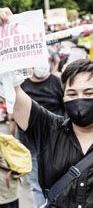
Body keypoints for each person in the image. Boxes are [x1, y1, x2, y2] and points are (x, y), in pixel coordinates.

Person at [0, 44, 93, 207]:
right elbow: (10, 88)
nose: (80, 99)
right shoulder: (49, 130)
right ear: (64, 98)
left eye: (88, 93)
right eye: (72, 94)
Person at [18, 61, 65, 208]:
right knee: (37, 186)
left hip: (55, 142)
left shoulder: (57, 83)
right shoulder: (22, 84)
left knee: (59, 183)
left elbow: (67, 108)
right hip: (30, 144)